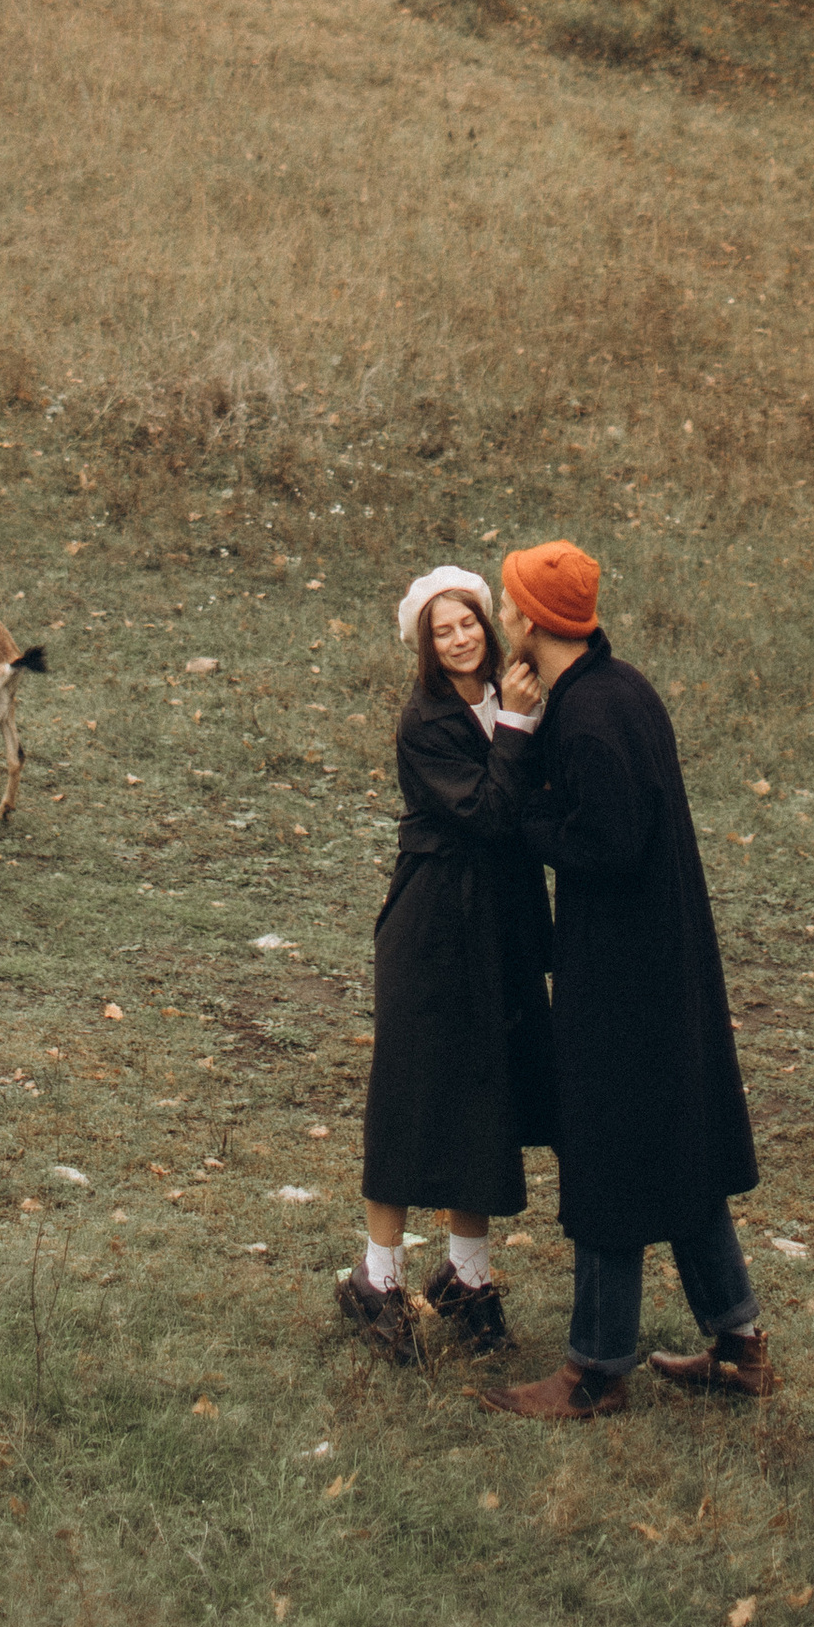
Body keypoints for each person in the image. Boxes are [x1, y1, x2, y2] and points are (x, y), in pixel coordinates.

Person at [480, 536, 773, 1420]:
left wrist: (527, 810)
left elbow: (606, 845)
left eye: (508, 604)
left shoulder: (590, 716)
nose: (501, 616)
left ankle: (595, 1371)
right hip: (663, 963)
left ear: (532, 622)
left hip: (621, 978)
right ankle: (740, 1346)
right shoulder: (621, 688)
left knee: (607, 1155)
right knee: (678, 1147)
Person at [335, 565, 557, 1361]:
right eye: (443, 630)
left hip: (495, 926)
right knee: (411, 1094)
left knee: (484, 1095)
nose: (460, 639)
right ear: (425, 646)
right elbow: (491, 813)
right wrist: (519, 727)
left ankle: (468, 1278)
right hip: (433, 921)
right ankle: (378, 1280)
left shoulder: (510, 694)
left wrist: (522, 719)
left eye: (468, 623)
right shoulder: (425, 722)